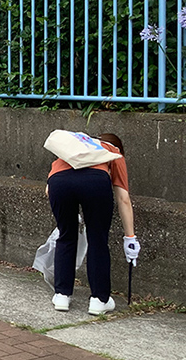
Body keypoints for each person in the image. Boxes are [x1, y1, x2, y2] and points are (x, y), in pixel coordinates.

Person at [46, 133, 140, 315]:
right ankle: (99, 300)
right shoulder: (114, 152)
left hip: (58, 183)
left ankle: (62, 295)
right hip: (95, 182)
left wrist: (68, 215)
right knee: (97, 239)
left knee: (66, 236)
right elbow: (123, 199)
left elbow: (48, 189)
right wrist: (130, 237)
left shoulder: (75, 145)